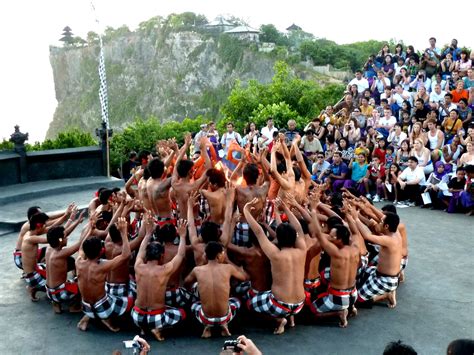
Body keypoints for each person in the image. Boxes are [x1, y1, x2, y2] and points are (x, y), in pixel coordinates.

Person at [245, 198, 306, 335]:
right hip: (300, 304)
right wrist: (285, 209)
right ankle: (291, 318)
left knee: (250, 304)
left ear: (278, 238)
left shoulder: (275, 254)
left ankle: (278, 321)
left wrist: (246, 210)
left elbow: (259, 232)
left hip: (279, 304)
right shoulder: (302, 250)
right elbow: (299, 229)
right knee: (275, 297)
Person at [132, 218, 187, 341]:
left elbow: (141, 252)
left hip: (136, 316)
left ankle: (143, 327)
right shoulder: (164, 269)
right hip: (155, 317)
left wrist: (148, 234)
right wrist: (182, 236)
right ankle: (157, 328)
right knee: (182, 313)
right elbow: (180, 255)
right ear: (162, 256)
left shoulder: (138, 266)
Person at [76, 217, 131, 332]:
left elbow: (81, 247)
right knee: (132, 301)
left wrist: (90, 231)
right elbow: (126, 255)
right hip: (102, 309)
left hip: (86, 307)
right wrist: (124, 233)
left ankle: (88, 318)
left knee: (106, 293)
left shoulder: (78, 262)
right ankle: (107, 319)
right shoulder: (102, 266)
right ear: (102, 251)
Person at [185, 241, 248, 338]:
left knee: (194, 304)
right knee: (237, 301)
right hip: (224, 317)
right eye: (223, 253)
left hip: (205, 318)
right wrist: (228, 260)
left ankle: (208, 326)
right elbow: (244, 277)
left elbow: (186, 282)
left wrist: (202, 262)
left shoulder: (197, 270)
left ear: (205, 256)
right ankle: (224, 324)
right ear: (219, 255)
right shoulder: (228, 268)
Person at [309, 220, 359, 328]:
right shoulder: (355, 247)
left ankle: (339, 313)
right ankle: (351, 307)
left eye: (331, 237)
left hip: (338, 298)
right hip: (353, 294)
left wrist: (313, 210)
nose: (328, 238)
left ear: (339, 239)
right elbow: (355, 232)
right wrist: (351, 216)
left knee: (310, 312)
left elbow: (318, 234)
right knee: (326, 273)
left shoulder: (336, 253)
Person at [355, 211, 402, 308]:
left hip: (386, 280)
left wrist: (355, 218)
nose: (378, 223)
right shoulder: (395, 232)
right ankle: (386, 290)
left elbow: (367, 236)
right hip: (379, 273)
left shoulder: (389, 240)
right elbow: (382, 218)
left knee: (357, 300)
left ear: (386, 226)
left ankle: (386, 294)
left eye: (381, 222)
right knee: (360, 273)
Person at [45, 211, 85, 313]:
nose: (67, 237)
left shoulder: (50, 248)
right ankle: (73, 306)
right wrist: (90, 227)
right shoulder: (61, 253)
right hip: (59, 293)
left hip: (50, 292)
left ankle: (56, 304)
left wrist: (75, 221)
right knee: (83, 282)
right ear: (60, 240)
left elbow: (63, 232)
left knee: (68, 282)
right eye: (65, 237)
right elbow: (81, 243)